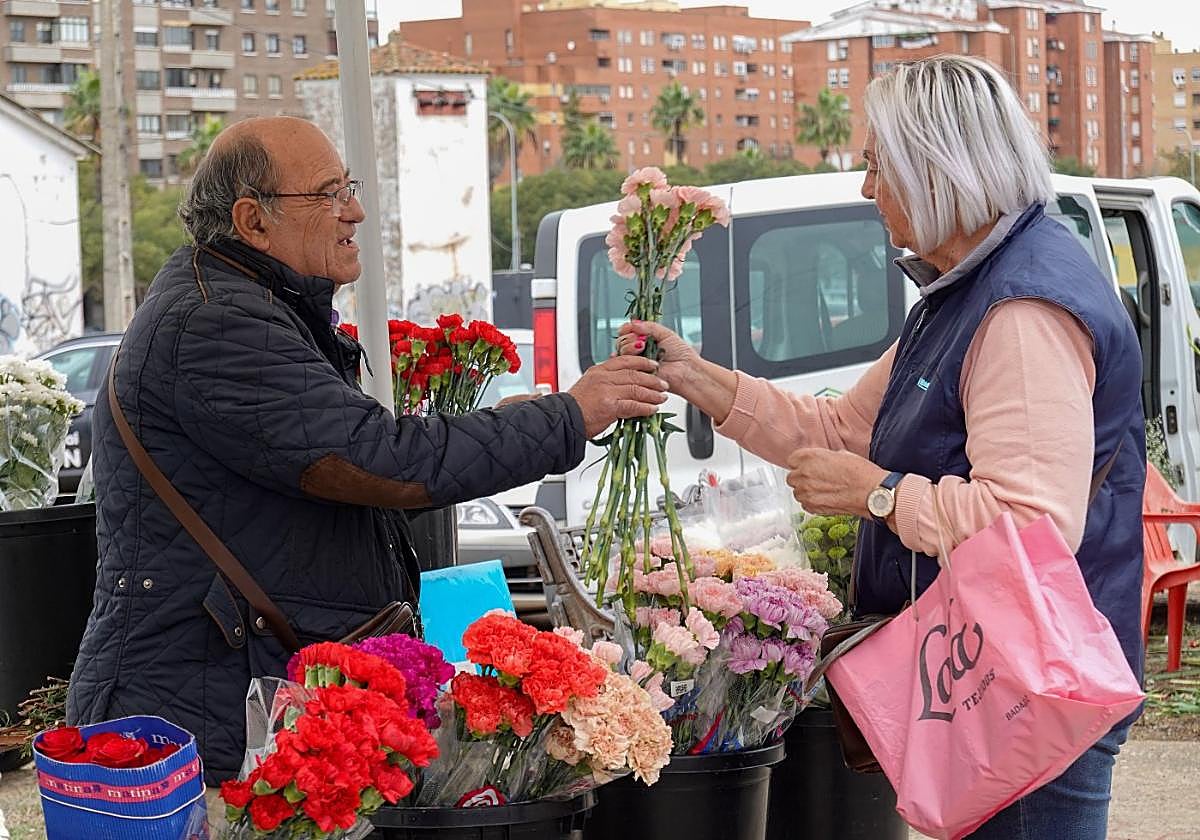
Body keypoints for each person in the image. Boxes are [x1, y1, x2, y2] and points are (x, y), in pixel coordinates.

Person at [620, 56, 1144, 839]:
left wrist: (881, 495)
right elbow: (836, 430)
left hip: (1032, 692)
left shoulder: (1022, 309)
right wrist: (699, 378)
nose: (867, 189)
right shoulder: (965, 289)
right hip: (993, 681)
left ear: (939, 167)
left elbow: (1032, 527)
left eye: (876, 164)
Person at [66, 116, 668, 784]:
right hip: (203, 710)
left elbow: (327, 472)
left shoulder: (252, 305)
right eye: (328, 193)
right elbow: (376, 462)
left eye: (348, 187)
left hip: (225, 687)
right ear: (253, 220)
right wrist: (566, 418)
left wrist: (508, 423)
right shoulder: (215, 321)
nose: (353, 210)